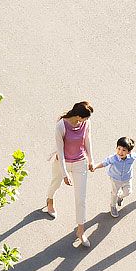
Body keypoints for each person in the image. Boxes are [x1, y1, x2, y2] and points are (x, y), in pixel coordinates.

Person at [46, 101, 95, 247]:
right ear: (79, 116)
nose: (87, 120)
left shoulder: (86, 124)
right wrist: (65, 173)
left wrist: (91, 159)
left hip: (80, 162)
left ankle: (81, 231)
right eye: (85, 117)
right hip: (63, 162)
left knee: (81, 198)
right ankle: (49, 200)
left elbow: (87, 140)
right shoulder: (61, 125)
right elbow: (60, 151)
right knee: (56, 183)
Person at [96, 136, 136, 218]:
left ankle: (120, 197)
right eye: (119, 148)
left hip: (127, 179)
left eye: (124, 150)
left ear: (129, 152)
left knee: (128, 192)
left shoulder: (132, 157)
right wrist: (95, 167)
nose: (120, 152)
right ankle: (113, 206)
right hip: (115, 179)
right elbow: (104, 163)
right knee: (114, 193)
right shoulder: (113, 158)